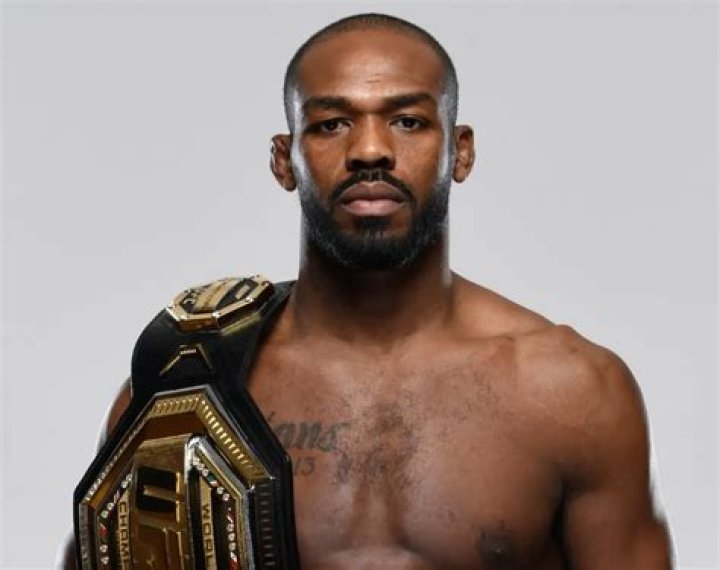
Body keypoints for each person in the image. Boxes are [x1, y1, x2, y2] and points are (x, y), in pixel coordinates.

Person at [59, 13, 673, 568]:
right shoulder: (183, 383)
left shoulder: (570, 392)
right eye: (331, 124)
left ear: (460, 152)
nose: (371, 150)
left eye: (408, 121)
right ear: (284, 160)